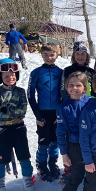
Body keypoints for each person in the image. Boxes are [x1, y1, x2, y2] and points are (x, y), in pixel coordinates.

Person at [0, 59, 34, 191]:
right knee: (2, 158)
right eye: (6, 76)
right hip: (2, 131)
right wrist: (13, 113)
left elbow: (23, 111)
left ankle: (27, 178)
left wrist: (6, 110)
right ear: (0, 77)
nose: (10, 78)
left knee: (24, 156)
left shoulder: (20, 92)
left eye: (13, 74)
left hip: (18, 128)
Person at [57, 72, 92, 191]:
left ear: (85, 87)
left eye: (78, 85)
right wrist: (64, 154)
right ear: (66, 87)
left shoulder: (91, 101)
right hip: (75, 146)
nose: (74, 88)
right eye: (71, 85)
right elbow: (60, 132)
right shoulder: (64, 107)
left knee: (92, 172)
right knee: (77, 175)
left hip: (91, 144)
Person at [28, 45, 63, 182]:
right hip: (42, 112)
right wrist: (38, 115)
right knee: (43, 141)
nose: (49, 57)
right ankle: (41, 165)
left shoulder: (61, 72)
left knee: (55, 141)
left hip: (56, 112)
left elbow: (64, 94)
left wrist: (59, 114)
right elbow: (30, 95)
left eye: (52, 54)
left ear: (57, 55)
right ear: (41, 55)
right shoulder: (36, 72)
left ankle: (52, 163)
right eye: (46, 54)